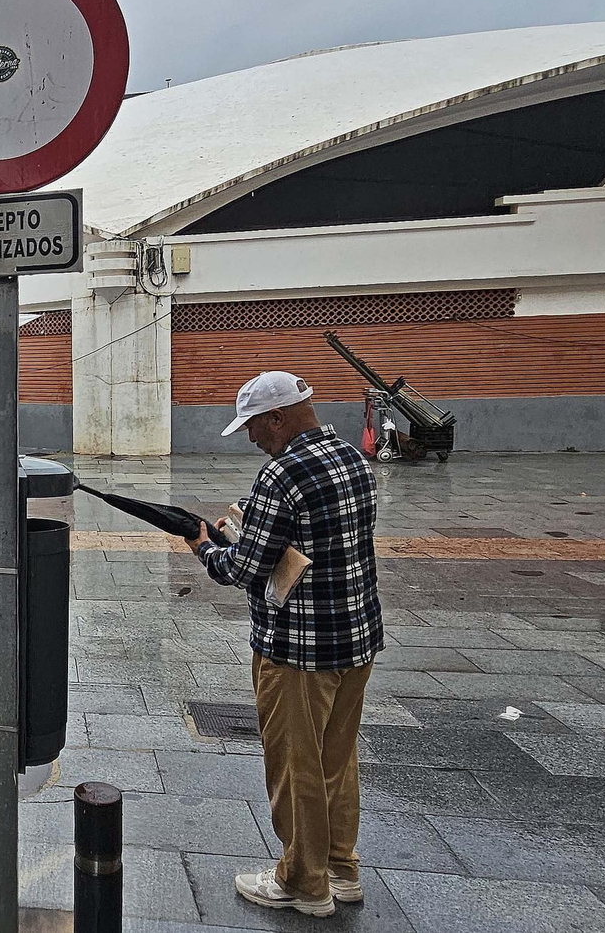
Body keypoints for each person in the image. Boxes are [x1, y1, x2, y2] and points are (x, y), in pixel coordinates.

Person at [185, 371, 382, 918]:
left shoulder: (282, 474)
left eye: (253, 426)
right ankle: (341, 869)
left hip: (299, 649)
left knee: (296, 767)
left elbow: (244, 570)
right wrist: (249, 529)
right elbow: (319, 540)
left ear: (277, 418)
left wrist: (205, 547)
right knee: (336, 759)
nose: (251, 438)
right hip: (356, 639)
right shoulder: (353, 459)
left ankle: (303, 883)